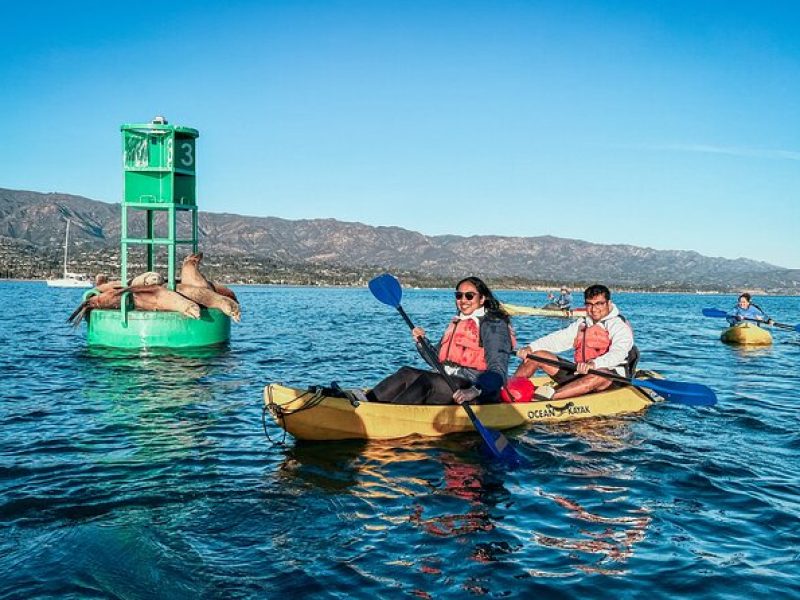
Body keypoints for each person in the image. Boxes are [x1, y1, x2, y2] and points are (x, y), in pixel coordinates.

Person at [366, 276, 515, 405]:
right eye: (459, 295)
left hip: (476, 387)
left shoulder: (494, 324)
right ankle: (367, 401)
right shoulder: (459, 321)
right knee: (406, 372)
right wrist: (421, 342)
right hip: (449, 378)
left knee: (427, 381)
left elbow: (498, 370)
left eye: (469, 296)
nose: (463, 300)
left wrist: (475, 390)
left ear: (482, 299)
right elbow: (436, 360)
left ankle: (389, 414)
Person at [514, 284, 637, 400]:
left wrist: (594, 364)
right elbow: (559, 339)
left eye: (599, 304)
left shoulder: (619, 326)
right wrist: (530, 348)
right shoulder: (582, 323)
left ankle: (549, 400)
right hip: (581, 372)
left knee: (599, 374)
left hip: (609, 378)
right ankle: (510, 391)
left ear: (608, 304)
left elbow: (618, 353)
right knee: (537, 355)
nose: (594, 309)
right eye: (589, 304)